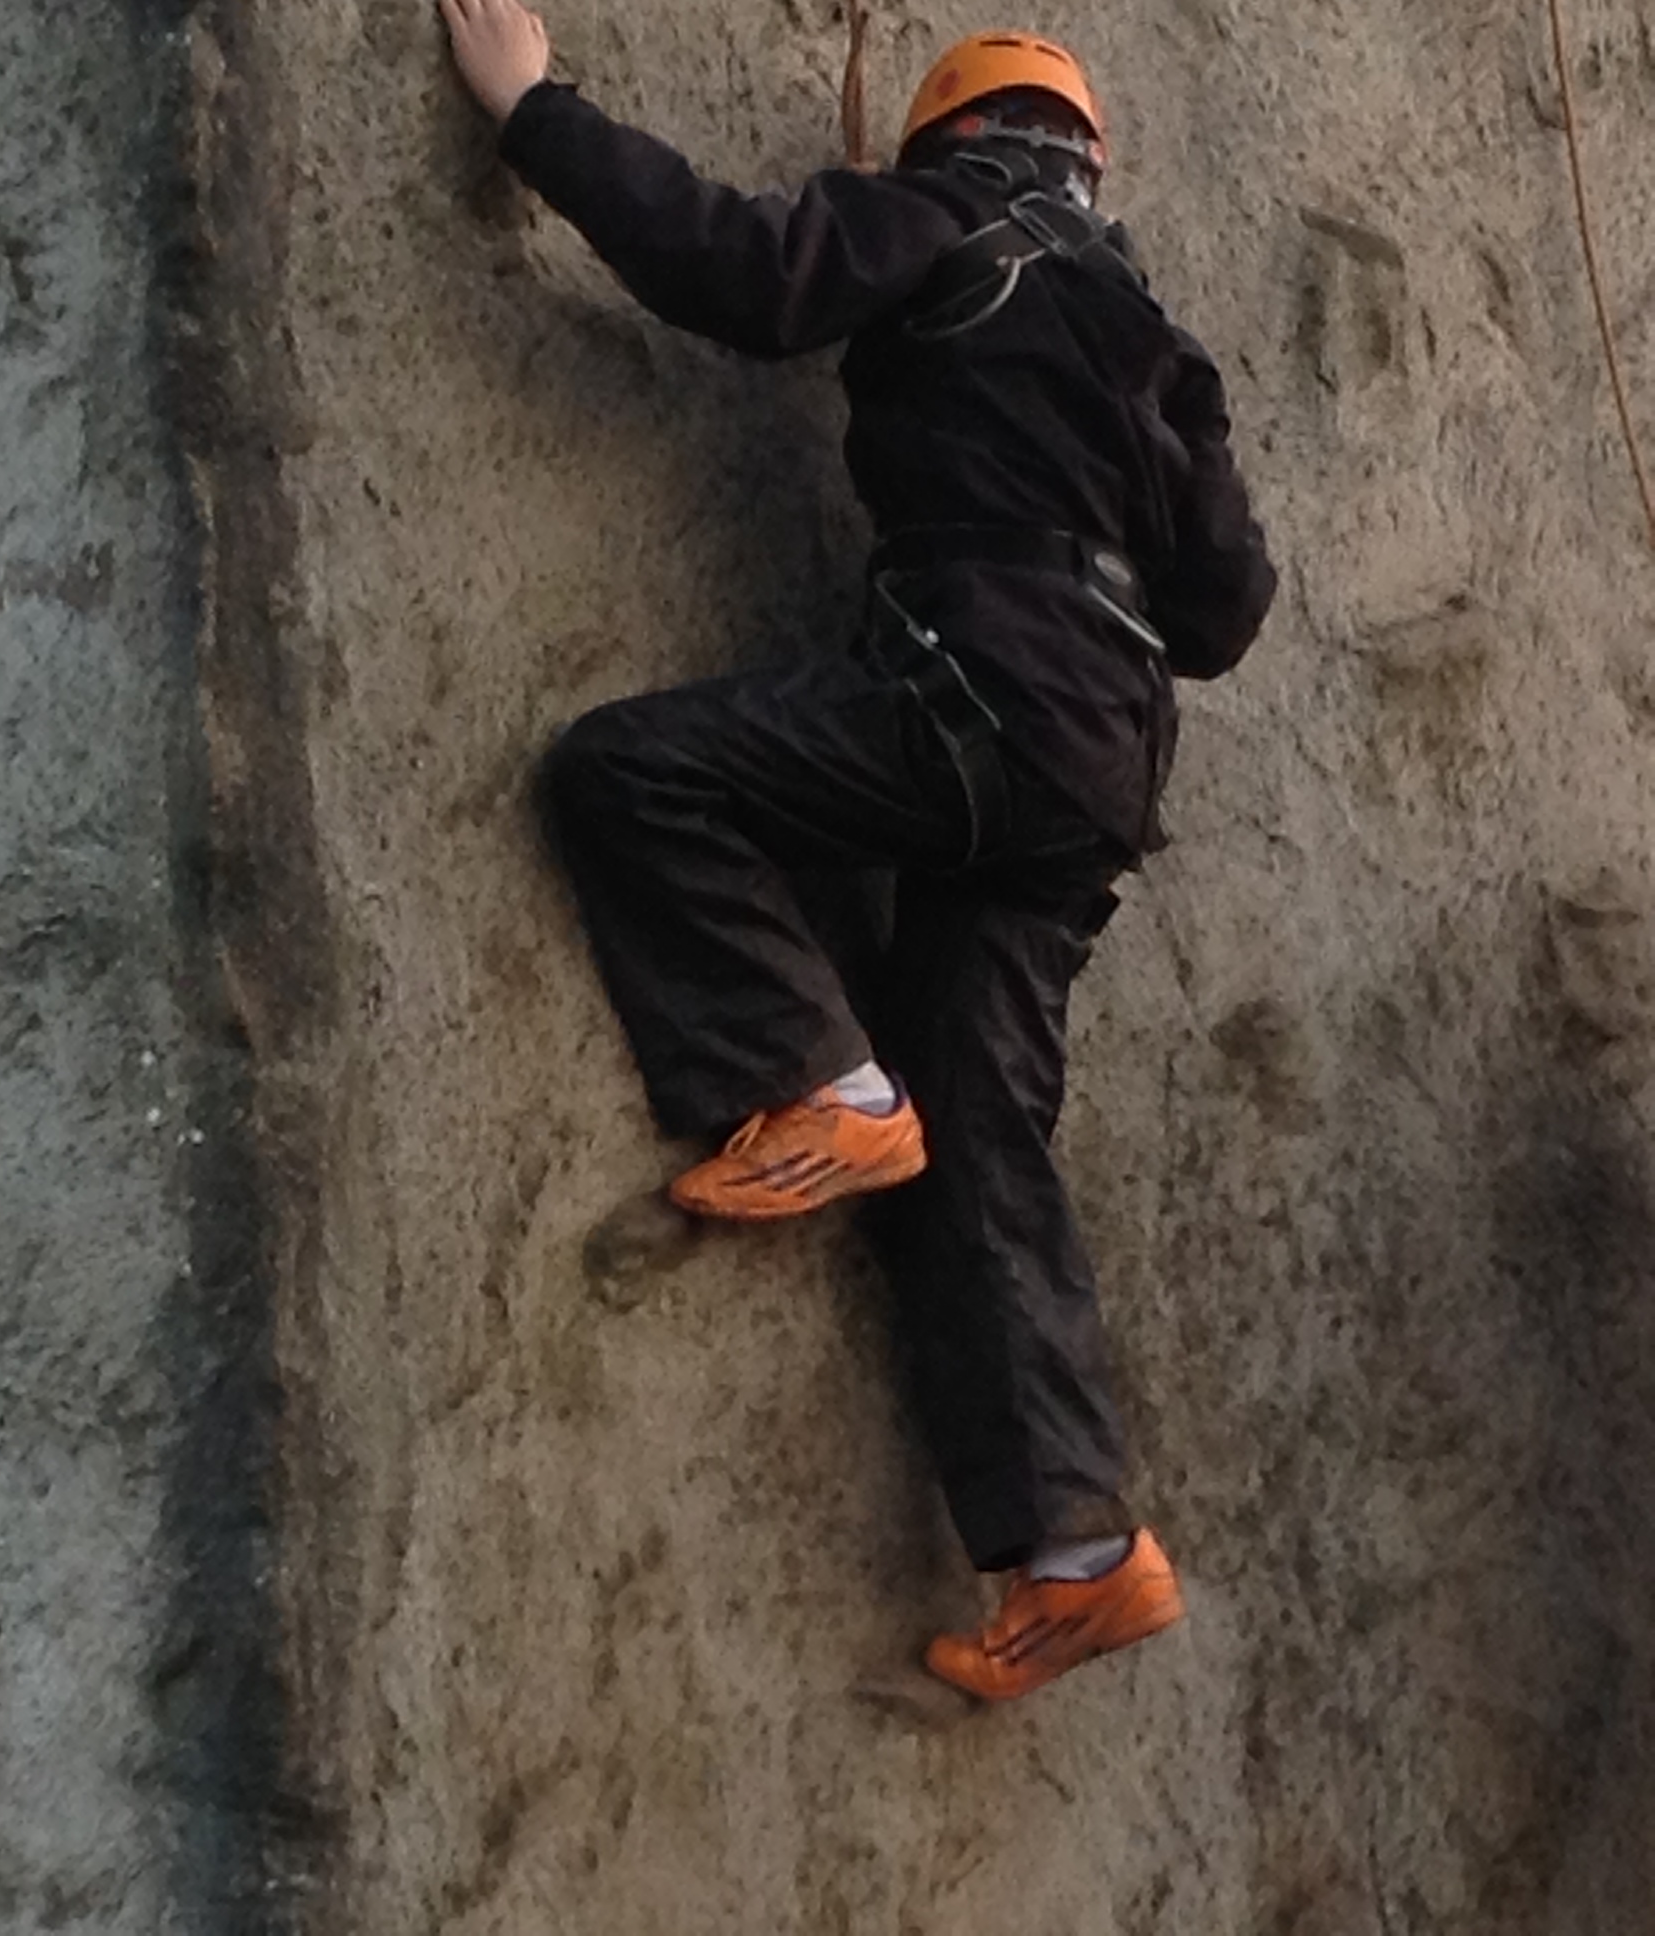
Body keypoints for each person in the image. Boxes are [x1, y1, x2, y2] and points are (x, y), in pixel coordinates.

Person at [440, 0, 1277, 1702]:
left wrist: (535, 113)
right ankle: (1075, 1552)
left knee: (633, 775)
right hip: (1103, 762)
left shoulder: (955, 212)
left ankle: (811, 1075)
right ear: (1090, 157)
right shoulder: (1151, 333)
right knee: (980, 1127)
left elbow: (747, 275)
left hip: (989, 694)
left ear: (954, 138)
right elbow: (1226, 606)